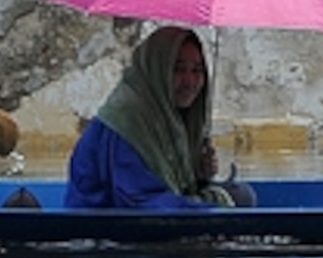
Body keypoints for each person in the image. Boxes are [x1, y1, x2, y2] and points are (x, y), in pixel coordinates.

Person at [65, 23, 251, 210]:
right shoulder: (128, 121)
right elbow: (140, 201)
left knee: (243, 196)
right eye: (178, 69)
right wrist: (211, 209)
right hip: (108, 226)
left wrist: (199, 175)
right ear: (156, 69)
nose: (190, 82)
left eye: (197, 71)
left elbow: (174, 185)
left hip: (158, 209)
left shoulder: (166, 113)